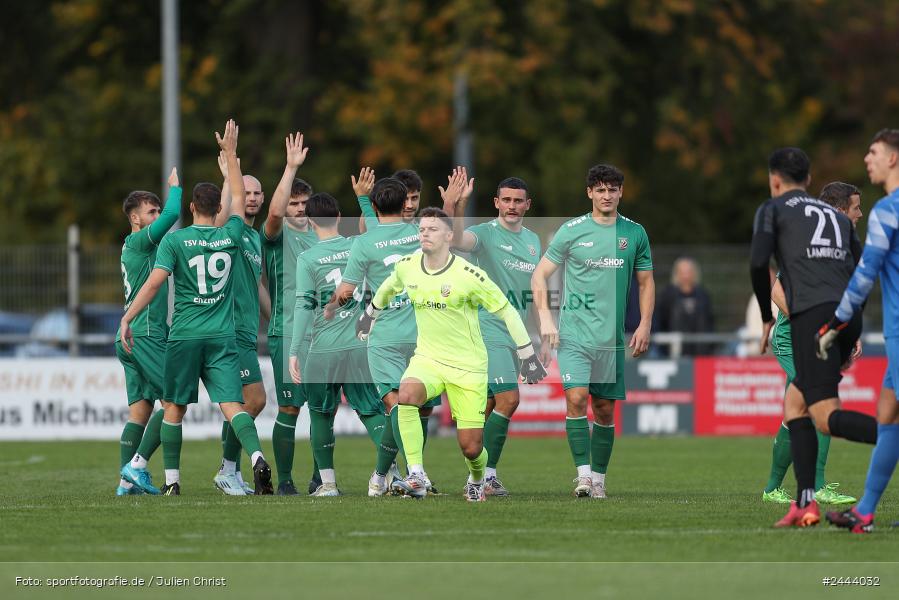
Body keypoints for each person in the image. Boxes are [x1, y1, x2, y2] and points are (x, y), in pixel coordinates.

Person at [119, 119, 273, 495]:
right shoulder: (231, 234)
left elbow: (154, 284)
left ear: (190, 207)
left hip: (184, 334)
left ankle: (171, 482)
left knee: (172, 405)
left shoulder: (176, 242)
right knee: (233, 404)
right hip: (222, 335)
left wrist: (128, 315)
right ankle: (254, 457)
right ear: (219, 207)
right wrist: (231, 156)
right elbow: (239, 198)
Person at [357, 207, 547, 501]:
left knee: (471, 447)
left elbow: (507, 310)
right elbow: (388, 287)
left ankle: (476, 477)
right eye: (421, 229)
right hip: (428, 359)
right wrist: (370, 314)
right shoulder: (408, 266)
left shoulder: (469, 275)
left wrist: (528, 355)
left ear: (448, 235)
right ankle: (416, 474)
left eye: (432, 229)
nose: (425, 234)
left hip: (468, 367)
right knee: (406, 393)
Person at [749, 147, 876, 527]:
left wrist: (765, 317)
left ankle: (890, 434)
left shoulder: (773, 211)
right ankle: (804, 501)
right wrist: (850, 323)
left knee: (824, 415)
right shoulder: (839, 220)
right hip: (842, 315)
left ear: (775, 180)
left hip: (811, 320)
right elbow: (863, 271)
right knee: (795, 406)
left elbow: (759, 263)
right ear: (807, 180)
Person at [323, 174, 457, 496]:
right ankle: (405, 475)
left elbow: (345, 291)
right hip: (423, 337)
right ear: (405, 202)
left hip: (382, 336)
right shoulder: (420, 234)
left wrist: (329, 308)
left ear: (376, 206)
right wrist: (451, 202)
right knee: (417, 410)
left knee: (397, 407)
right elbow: (447, 235)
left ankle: (394, 475)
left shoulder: (364, 243)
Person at [531, 164, 654, 499]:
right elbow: (539, 275)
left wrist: (645, 323)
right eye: (600, 189)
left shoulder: (635, 234)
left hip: (611, 341)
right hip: (574, 336)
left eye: (612, 189)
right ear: (589, 193)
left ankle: (599, 478)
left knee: (603, 409)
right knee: (576, 398)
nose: (606, 195)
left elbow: (645, 282)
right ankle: (583, 476)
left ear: (621, 193)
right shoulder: (571, 231)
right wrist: (545, 319)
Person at [761, 182, 864, 506]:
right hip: (793, 338)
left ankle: (774, 488)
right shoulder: (811, 239)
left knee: (805, 403)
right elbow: (777, 291)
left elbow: (840, 298)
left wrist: (847, 334)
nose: (860, 214)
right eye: (856, 207)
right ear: (839, 209)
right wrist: (809, 324)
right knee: (818, 398)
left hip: (821, 335)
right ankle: (812, 486)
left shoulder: (842, 243)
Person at [822, 129, 899, 533]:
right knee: (888, 416)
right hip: (895, 333)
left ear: (893, 159)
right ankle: (865, 512)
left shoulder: (889, 210)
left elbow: (865, 271)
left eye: (873, 152)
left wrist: (837, 321)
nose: (867, 159)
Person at [449, 174, 542, 495]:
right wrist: (459, 203)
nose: (512, 206)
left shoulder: (533, 241)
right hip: (486, 330)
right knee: (509, 399)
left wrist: (535, 339)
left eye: (518, 201)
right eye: (507, 200)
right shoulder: (484, 234)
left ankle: (475, 478)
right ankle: (486, 477)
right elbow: (456, 240)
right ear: (496, 203)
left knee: (489, 405)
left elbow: (531, 294)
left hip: (516, 334)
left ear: (528, 205)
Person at [287, 193, 384, 497]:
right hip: (359, 344)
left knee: (320, 413)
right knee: (371, 410)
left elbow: (304, 305)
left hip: (323, 348)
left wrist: (294, 350)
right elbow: (380, 234)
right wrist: (365, 200)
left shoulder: (307, 258)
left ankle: (327, 483)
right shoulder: (359, 246)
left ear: (311, 221)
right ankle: (389, 475)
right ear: (339, 217)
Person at [116, 168, 182, 496]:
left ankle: (126, 482)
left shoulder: (135, 245)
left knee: (141, 409)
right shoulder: (141, 241)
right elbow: (173, 213)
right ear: (135, 218)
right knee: (174, 400)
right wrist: (175, 189)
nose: (156, 215)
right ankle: (136, 466)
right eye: (150, 212)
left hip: (128, 335)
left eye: (156, 210)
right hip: (144, 334)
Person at [261, 132, 320, 495]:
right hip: (287, 332)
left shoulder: (323, 235)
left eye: (304, 203)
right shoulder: (277, 234)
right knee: (290, 409)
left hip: (325, 335)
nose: (299, 209)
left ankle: (321, 477)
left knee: (322, 410)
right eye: (294, 203)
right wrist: (290, 166)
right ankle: (284, 481)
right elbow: (273, 212)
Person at [210, 154, 271, 495]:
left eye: (256, 193)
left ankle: (228, 470)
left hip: (248, 330)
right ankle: (228, 469)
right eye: (244, 191)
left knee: (241, 403)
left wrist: (274, 318)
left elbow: (257, 285)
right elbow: (217, 221)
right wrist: (226, 177)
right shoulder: (226, 233)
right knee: (255, 399)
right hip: (229, 330)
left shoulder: (254, 238)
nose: (251, 197)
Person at [655, 257, 715, 356]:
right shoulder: (667, 295)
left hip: (700, 352)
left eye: (689, 271)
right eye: (682, 272)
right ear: (676, 274)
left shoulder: (703, 295)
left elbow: (709, 323)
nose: (686, 276)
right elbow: (660, 322)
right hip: (673, 351)